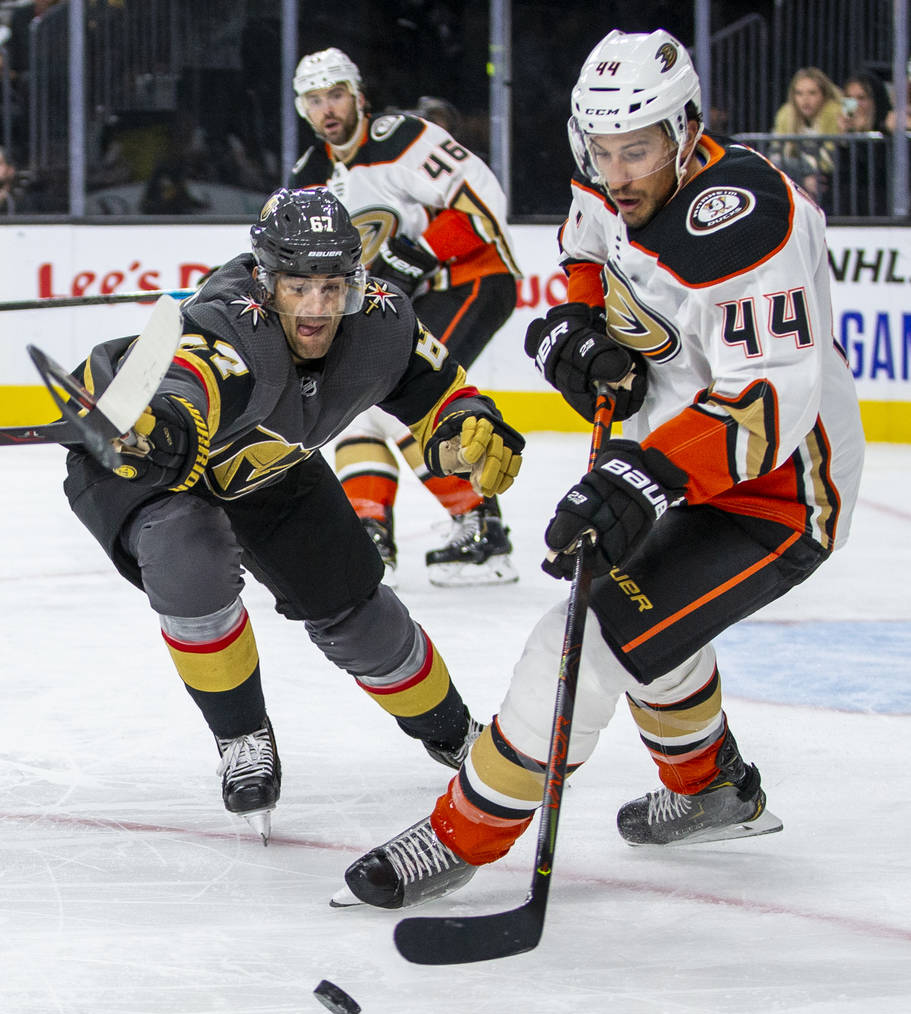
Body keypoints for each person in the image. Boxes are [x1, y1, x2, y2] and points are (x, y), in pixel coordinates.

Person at [337, 28, 866, 911]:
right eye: (602, 150)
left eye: (639, 149)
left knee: (581, 637)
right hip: (680, 451)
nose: (617, 172)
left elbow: (769, 403)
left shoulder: (748, 220)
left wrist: (642, 477)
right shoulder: (605, 173)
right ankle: (712, 790)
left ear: (688, 129)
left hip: (777, 493)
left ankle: (463, 832)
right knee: (652, 631)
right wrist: (577, 334)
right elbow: (588, 261)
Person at [62, 186, 524, 845]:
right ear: (265, 277)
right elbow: (190, 378)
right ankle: (242, 738)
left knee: (357, 609)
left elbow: (442, 391)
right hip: (150, 459)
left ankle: (453, 734)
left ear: (355, 280)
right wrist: (164, 420)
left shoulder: (384, 321)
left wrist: (467, 428)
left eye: (332, 286)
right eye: (297, 287)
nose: (315, 309)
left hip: (260, 461)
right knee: (188, 553)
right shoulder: (228, 317)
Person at [288, 48, 522, 588]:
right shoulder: (311, 175)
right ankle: (373, 533)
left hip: (473, 277)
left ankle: (480, 529)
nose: (329, 108)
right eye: (316, 98)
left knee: (400, 392)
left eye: (337, 93)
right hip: (407, 298)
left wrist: (414, 255)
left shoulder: (400, 137)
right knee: (358, 400)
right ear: (304, 108)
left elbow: (480, 202)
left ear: (359, 95)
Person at [771, 66, 842, 204]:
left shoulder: (834, 112)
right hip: (797, 178)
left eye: (812, 93)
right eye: (799, 93)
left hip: (829, 181)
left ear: (823, 94)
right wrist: (803, 176)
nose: (805, 100)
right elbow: (776, 155)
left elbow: (828, 161)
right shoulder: (786, 114)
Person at [833, 69, 892, 216]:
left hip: (880, 208)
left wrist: (861, 138)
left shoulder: (887, 131)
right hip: (849, 210)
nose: (855, 105)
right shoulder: (845, 134)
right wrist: (845, 140)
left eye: (861, 98)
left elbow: (878, 173)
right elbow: (842, 175)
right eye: (850, 98)